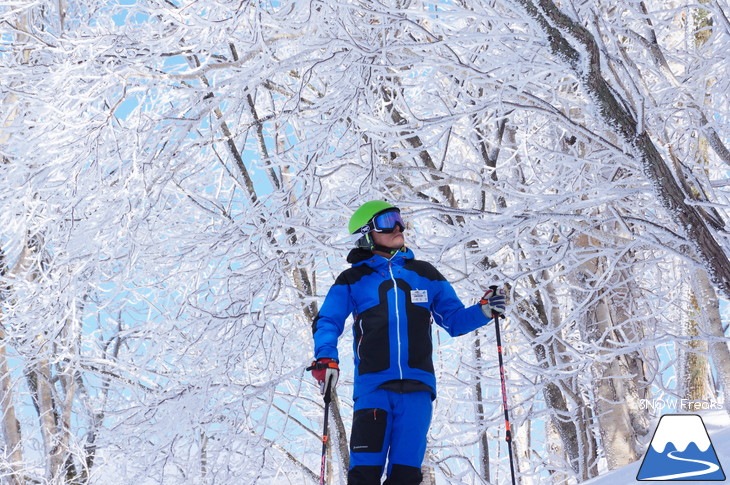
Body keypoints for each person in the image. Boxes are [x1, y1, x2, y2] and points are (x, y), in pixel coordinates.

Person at [309, 200, 506, 485]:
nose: (399, 227)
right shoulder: (352, 279)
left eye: (400, 219)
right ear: (366, 234)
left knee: (406, 476)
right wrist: (326, 357)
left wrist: (484, 310)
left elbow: (453, 320)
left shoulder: (425, 274)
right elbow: (328, 320)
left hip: (418, 390)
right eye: (388, 221)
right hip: (374, 389)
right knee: (365, 474)